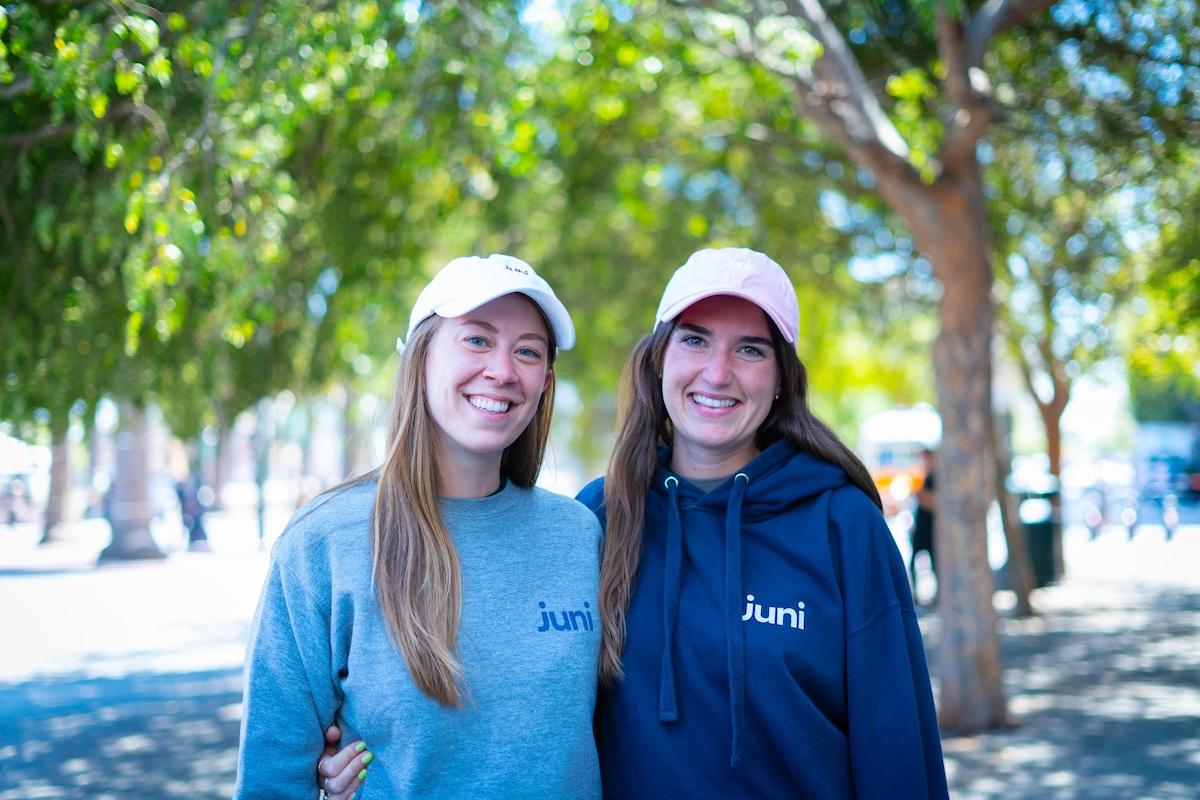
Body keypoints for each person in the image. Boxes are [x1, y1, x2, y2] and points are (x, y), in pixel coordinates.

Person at [319, 248, 947, 798]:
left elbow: (898, 746)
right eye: (695, 339)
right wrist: (361, 750)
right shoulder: (598, 518)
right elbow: (517, 692)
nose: (718, 371)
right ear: (658, 361)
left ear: (781, 379)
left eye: (750, 349)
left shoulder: (843, 525)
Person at [236, 255, 603, 799]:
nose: (502, 370)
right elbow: (271, 778)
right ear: (420, 357)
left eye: (527, 351)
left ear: (545, 381)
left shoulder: (579, 534)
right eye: (477, 340)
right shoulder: (325, 543)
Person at [910, 447, 937, 603]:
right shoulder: (926, 477)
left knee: (934, 564)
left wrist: (920, 495)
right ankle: (916, 596)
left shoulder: (935, 478)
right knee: (914, 563)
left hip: (930, 529)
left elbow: (935, 503)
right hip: (921, 529)